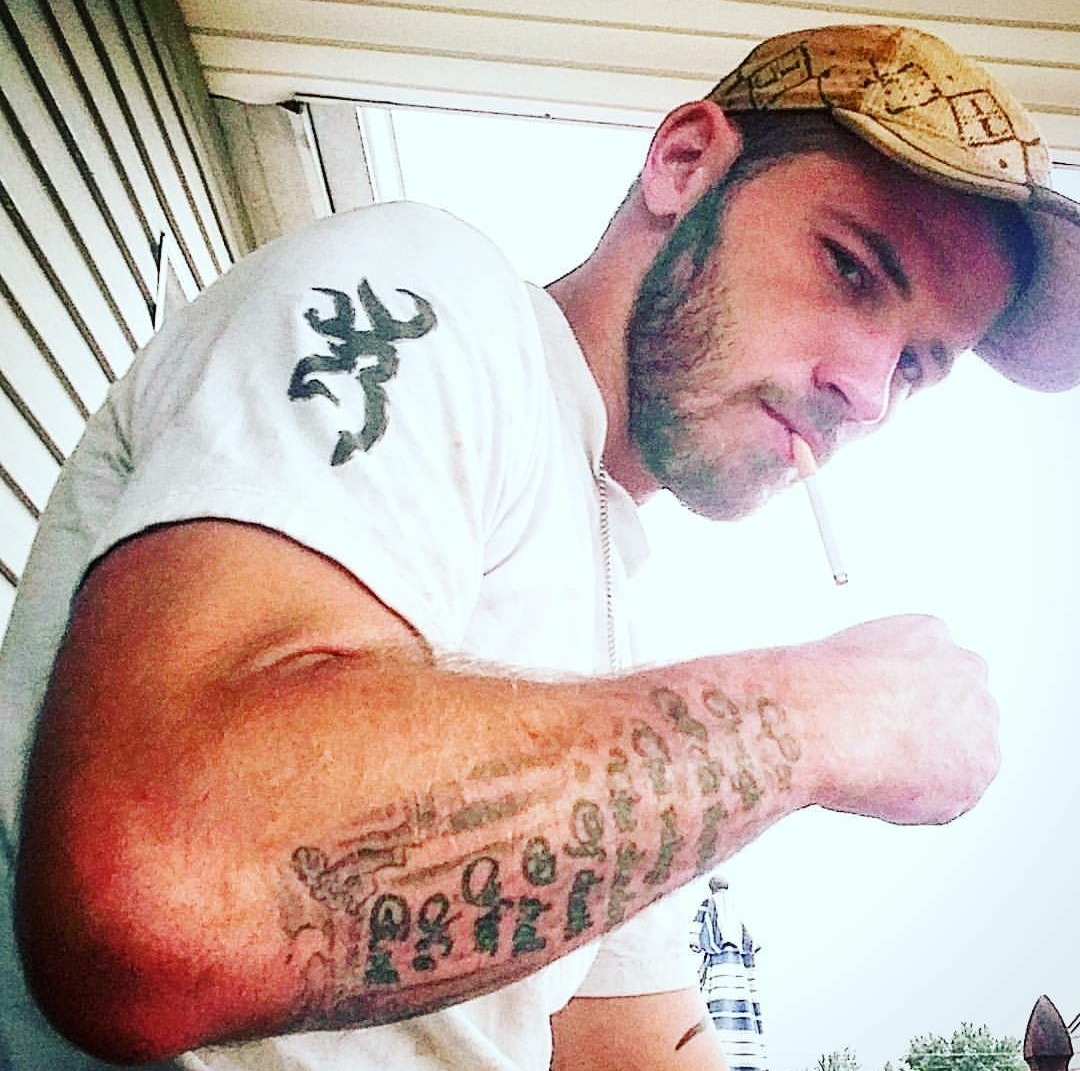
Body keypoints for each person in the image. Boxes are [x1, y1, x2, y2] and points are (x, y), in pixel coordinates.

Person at [2, 20, 1078, 1071]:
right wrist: (825, 715)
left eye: (919, 364)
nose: (867, 391)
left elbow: (629, 1045)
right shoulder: (436, 298)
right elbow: (161, 894)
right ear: (685, 164)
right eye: (850, 267)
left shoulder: (619, 634)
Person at [691, 875, 767, 1071]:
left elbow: (694, 938)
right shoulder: (735, 906)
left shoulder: (709, 903)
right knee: (739, 1004)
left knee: (717, 1004)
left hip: (719, 964)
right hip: (737, 966)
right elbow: (752, 940)